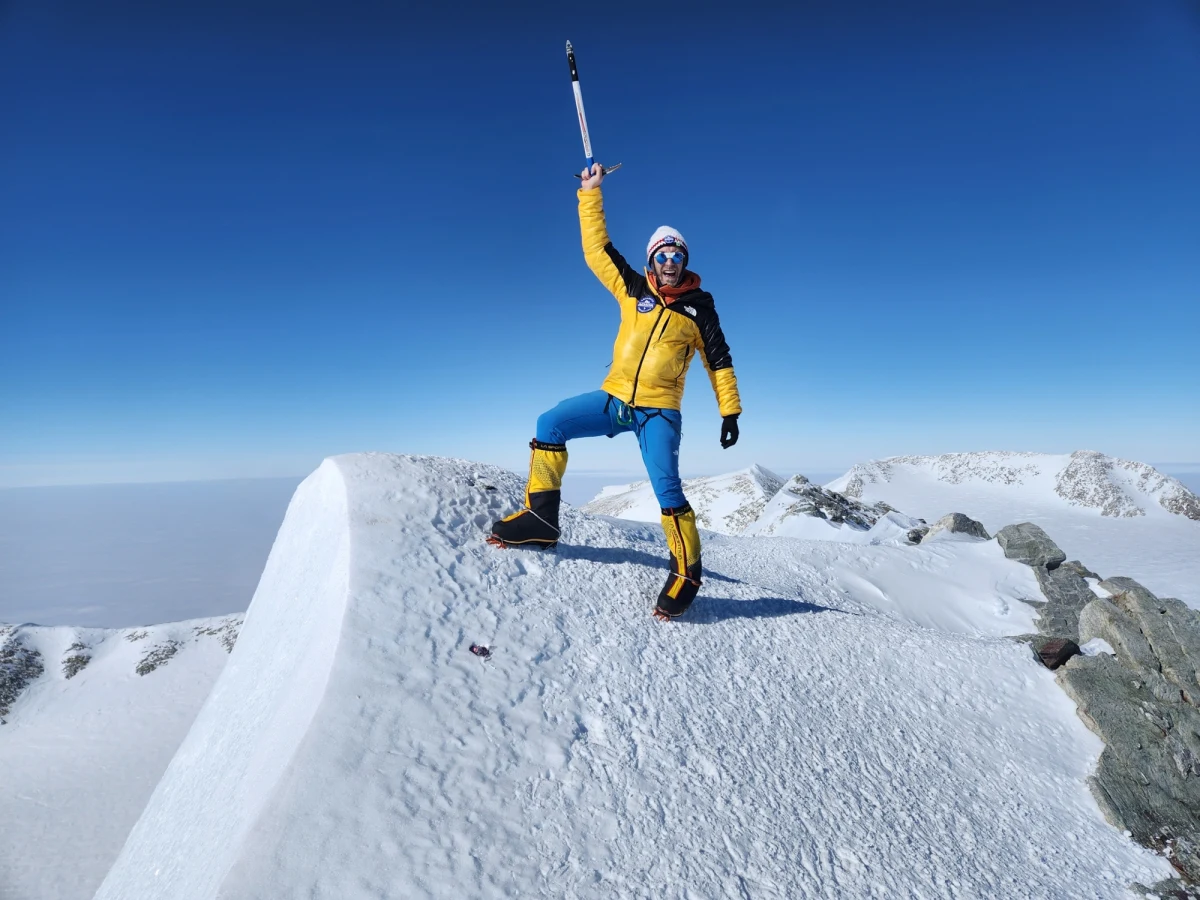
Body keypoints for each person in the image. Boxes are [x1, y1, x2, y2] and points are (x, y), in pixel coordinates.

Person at [487, 162, 742, 621]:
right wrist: (590, 193)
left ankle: (687, 572)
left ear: (685, 262)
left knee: (667, 487)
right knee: (551, 424)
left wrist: (730, 412)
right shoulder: (633, 288)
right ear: (651, 259)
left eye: (677, 256)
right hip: (615, 399)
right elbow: (597, 250)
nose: (669, 263)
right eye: (662, 255)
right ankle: (541, 520)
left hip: (658, 412)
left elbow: (718, 360)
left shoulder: (699, 308)